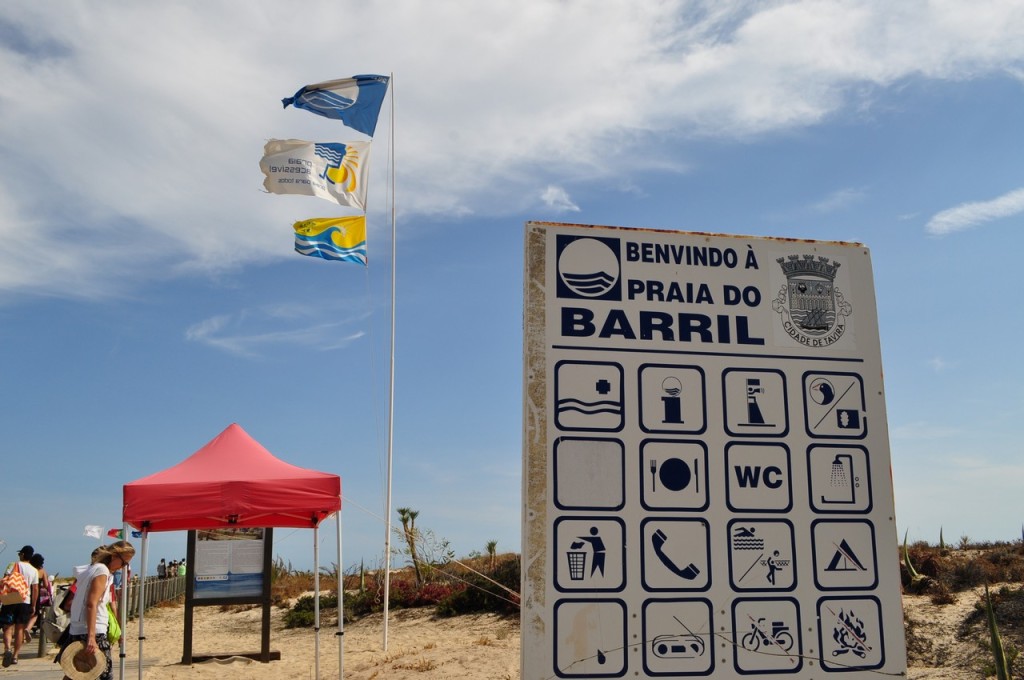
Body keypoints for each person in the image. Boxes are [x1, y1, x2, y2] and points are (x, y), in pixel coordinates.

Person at [60, 541, 135, 680]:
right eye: (123, 563)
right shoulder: (102, 571)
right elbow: (91, 603)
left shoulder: (92, 569)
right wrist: (91, 637)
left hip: (78, 628)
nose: (123, 568)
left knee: (75, 673)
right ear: (114, 556)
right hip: (93, 630)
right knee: (101, 673)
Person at [1, 545, 39, 668]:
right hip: (25, 601)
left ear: (22, 555)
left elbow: (5, 580)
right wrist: (33, 605)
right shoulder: (34, 570)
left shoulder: (12, 565)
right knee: (20, 630)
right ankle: (16, 656)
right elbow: (35, 589)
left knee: (7, 627)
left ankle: (7, 648)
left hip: (11, 598)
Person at [26, 553, 51, 642]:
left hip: (26, 592)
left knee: (26, 612)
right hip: (36, 593)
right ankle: (28, 628)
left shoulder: (29, 569)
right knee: (35, 614)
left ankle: (23, 629)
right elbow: (45, 584)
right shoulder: (42, 571)